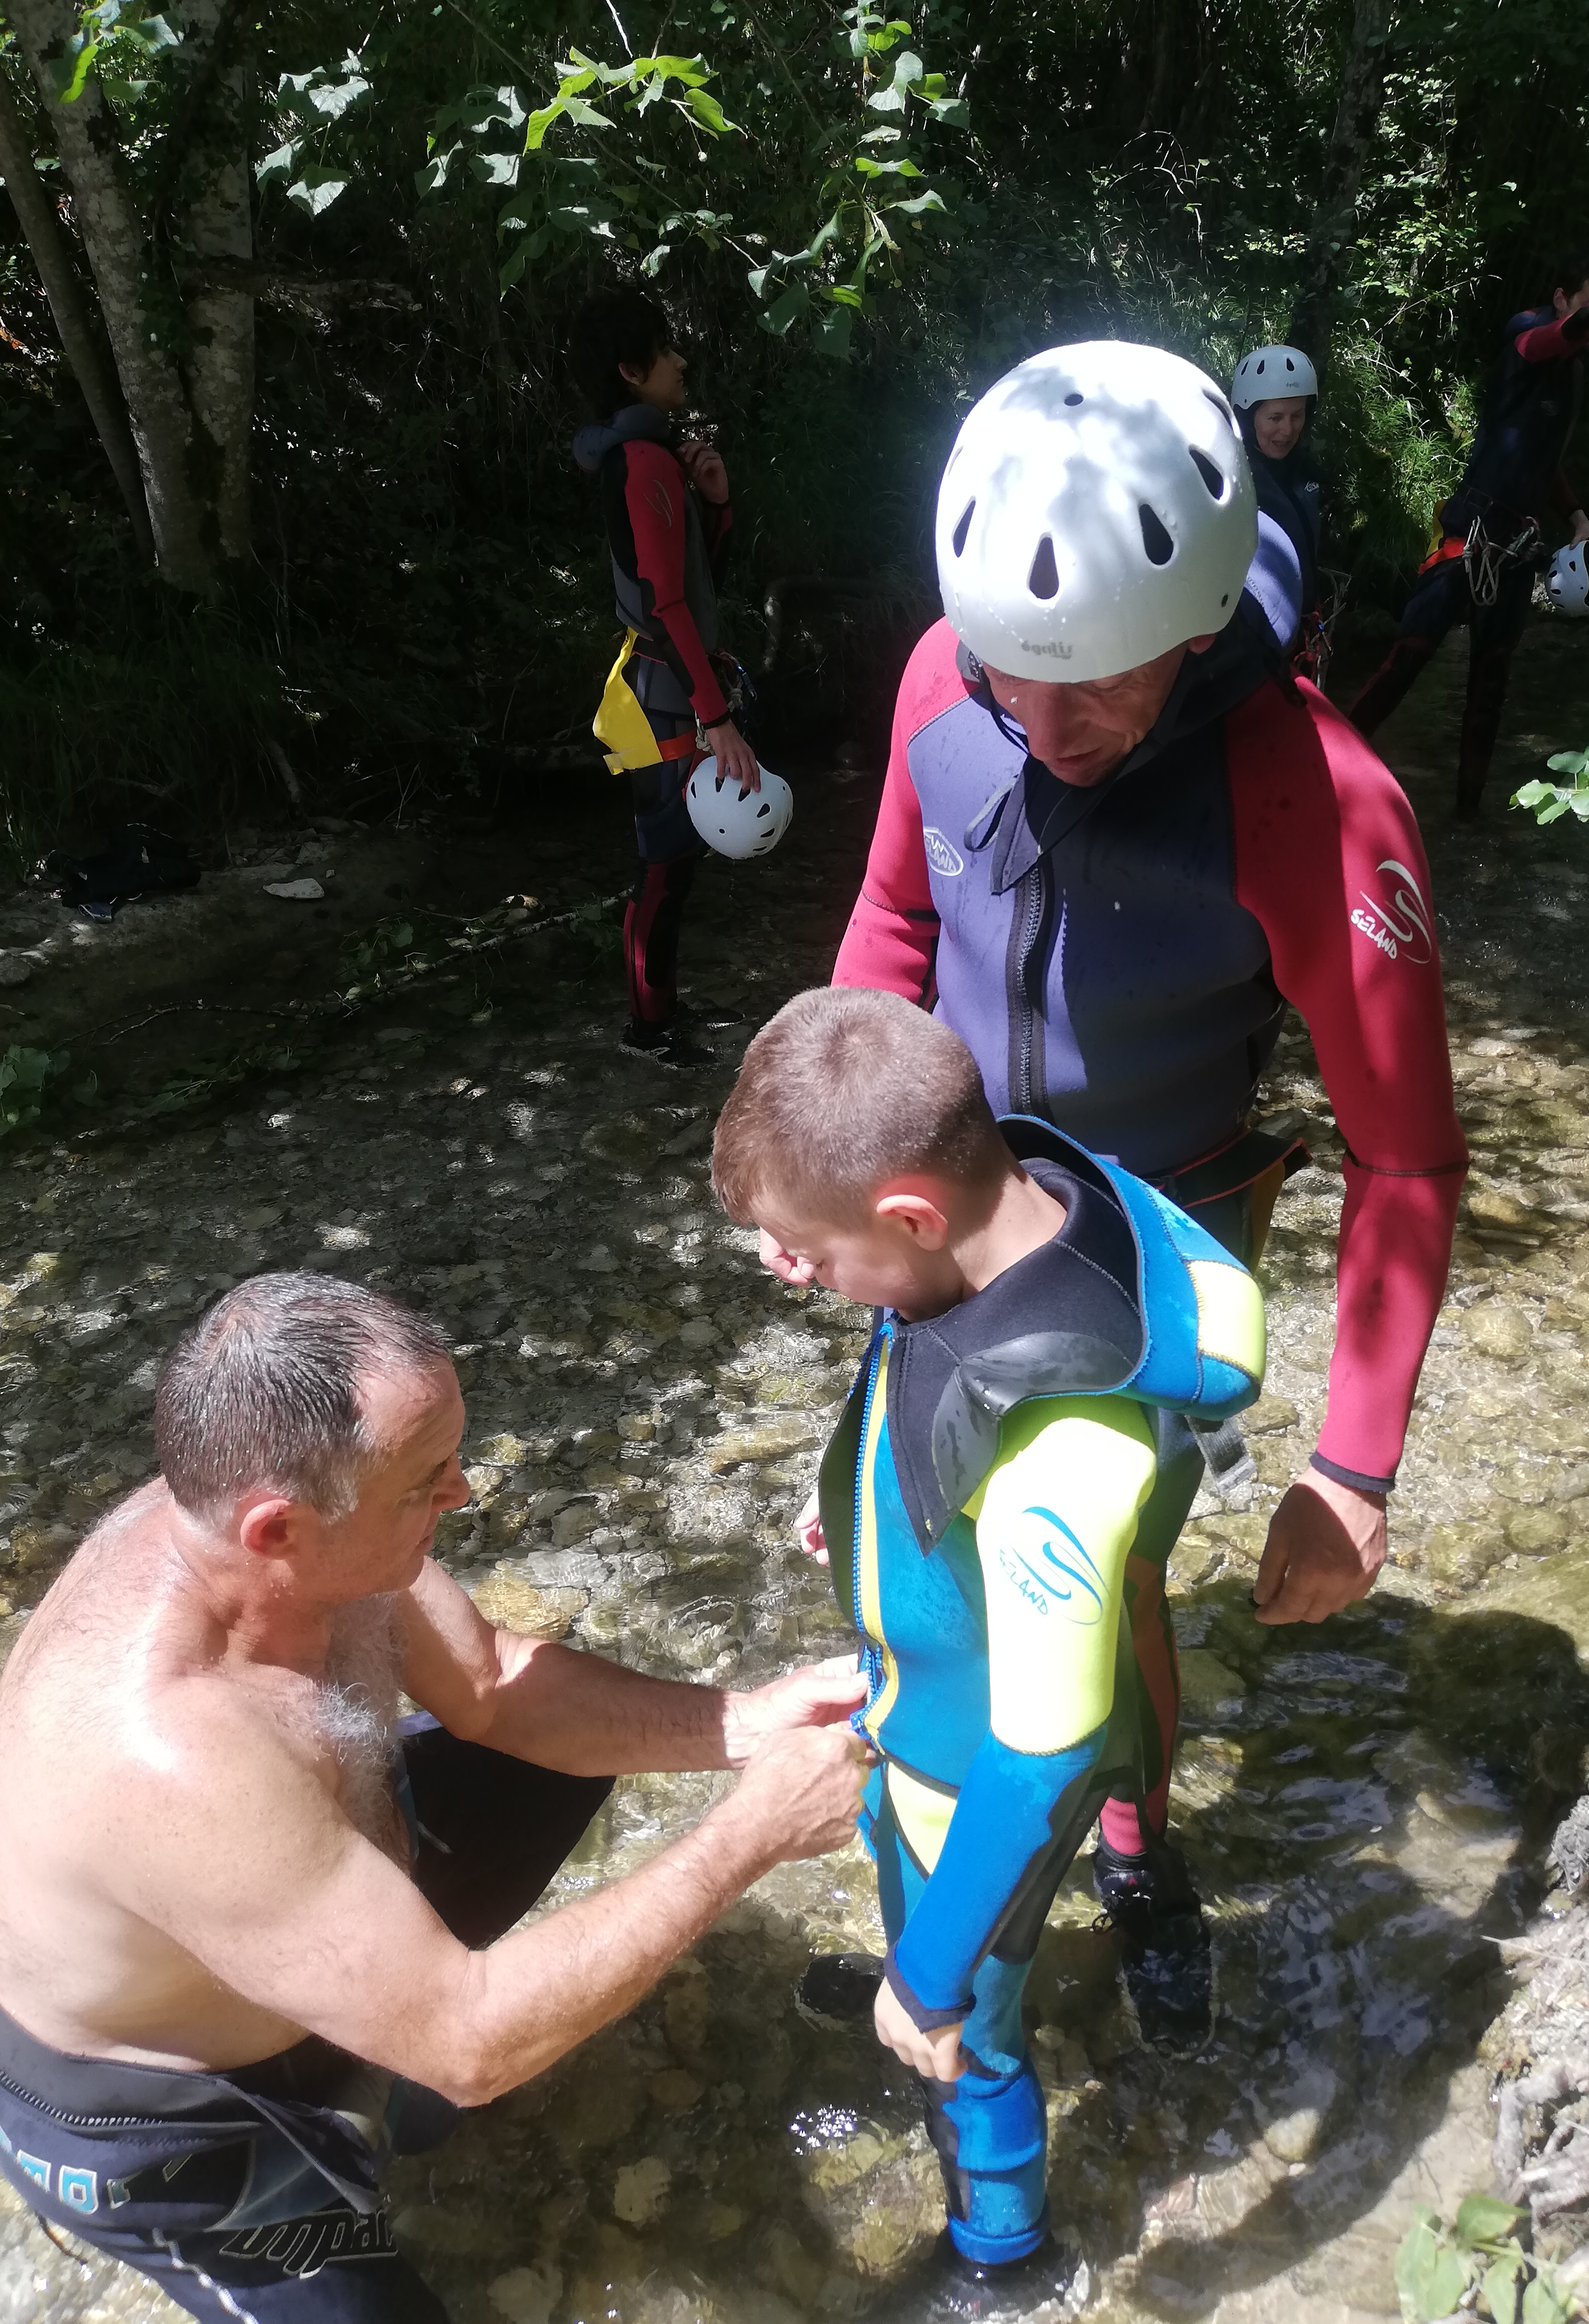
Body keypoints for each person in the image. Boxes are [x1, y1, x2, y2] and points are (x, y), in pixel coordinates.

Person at [830, 337, 1469, 2048]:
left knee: (1095, 1572)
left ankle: (1133, 1850)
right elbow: (894, 923)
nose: (1045, 729)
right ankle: (953, 1858)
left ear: (1193, 630)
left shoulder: (1317, 800)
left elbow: (1405, 1153)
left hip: (1155, 1224)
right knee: (920, 1535)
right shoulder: (939, 684)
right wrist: (837, 1169)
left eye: (1097, 685)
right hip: (948, 1208)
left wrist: (1351, 1468)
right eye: (1011, 675)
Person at [0, 1271, 869, 2323]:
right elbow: (471, 2045)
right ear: (277, 1530)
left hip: (302, 1888)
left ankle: (391, 2062)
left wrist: (749, 1721)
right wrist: (755, 1831)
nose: (461, 1492)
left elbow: (491, 1683)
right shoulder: (176, 1758)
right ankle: (372, 2085)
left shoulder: (300, 1522)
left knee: (555, 1767)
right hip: (181, 2112)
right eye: (424, 1479)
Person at [711, 986, 1266, 2312]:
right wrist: (857, 1496)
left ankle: (1002, 2262)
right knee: (937, 1934)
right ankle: (967, 1945)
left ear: (909, 1212)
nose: (794, 1271)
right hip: (958, 1677)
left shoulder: (1056, 1465)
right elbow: (920, 1359)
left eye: (810, 1251)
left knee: (972, 2041)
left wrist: (927, 1976)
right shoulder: (1020, 1198)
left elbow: (1042, 1754)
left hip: (968, 1780)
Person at [1348, 240, 1589, 819]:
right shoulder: (1527, 338)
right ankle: (1330, 763)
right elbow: (1579, 328)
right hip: (1469, 532)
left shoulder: (1573, 373)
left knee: (1489, 689)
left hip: (1519, 545)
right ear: (1561, 300)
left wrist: (1577, 517)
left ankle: (1467, 820)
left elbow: (1545, 459)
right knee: (1408, 659)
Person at [570, 287, 760, 1068]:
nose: (681, 361)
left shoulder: (652, 455)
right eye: (666, 350)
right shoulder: (642, 461)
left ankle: (662, 1009)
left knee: (676, 862)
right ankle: (648, 1029)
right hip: (664, 699)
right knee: (663, 865)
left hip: (669, 687)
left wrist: (716, 506)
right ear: (630, 370)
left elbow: (693, 582)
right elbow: (664, 603)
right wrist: (717, 719)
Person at [1231, 341, 1324, 625]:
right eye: (1275, 417)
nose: (1287, 430)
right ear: (1248, 418)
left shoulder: (1302, 470)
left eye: (1297, 416)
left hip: (1304, 623)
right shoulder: (1235, 482)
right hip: (1259, 633)